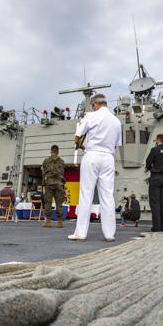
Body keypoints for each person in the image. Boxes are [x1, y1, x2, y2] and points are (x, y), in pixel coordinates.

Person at [69, 93, 122, 242]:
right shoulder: (116, 121)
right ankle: (109, 234)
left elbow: (77, 138)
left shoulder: (90, 117)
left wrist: (82, 146)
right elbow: (117, 145)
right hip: (108, 158)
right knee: (107, 196)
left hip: (92, 155)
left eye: (93, 106)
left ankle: (81, 233)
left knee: (86, 194)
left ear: (95, 104)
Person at [146, 134, 163, 232]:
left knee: (155, 203)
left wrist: (151, 168)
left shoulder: (155, 150)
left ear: (158, 140)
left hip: (155, 177)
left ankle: (156, 227)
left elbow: (148, 163)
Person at [42, 145, 65, 228]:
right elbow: (62, 172)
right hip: (59, 184)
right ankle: (60, 222)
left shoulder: (46, 160)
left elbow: (43, 172)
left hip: (49, 183)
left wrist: (43, 183)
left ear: (51, 151)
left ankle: (48, 222)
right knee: (59, 203)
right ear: (58, 152)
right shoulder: (62, 161)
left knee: (48, 202)